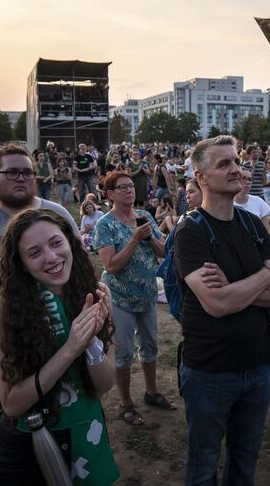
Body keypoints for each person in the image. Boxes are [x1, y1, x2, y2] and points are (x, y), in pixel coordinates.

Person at [0, 143, 80, 485]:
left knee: (59, 415)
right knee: (0, 421)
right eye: (12, 172)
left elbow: (77, 266)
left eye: (27, 171)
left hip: (54, 340)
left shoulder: (56, 214)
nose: (22, 178)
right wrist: (15, 263)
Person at [174, 135, 270, 485]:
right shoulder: (190, 230)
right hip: (210, 369)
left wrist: (237, 286)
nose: (236, 169)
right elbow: (218, 304)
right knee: (203, 465)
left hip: (256, 364)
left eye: (236, 161)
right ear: (201, 177)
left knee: (245, 460)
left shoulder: (252, 223)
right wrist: (264, 274)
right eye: (224, 163)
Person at [0, 209, 119, 485]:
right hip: (32, 445)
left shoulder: (97, 295)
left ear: (70, 243)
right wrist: (71, 348)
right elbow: (11, 404)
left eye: (56, 243)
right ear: (21, 263)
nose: (51, 257)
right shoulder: (5, 310)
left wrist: (92, 342)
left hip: (87, 435)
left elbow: (105, 383)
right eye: (34, 253)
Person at [92, 171, 174, 427]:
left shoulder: (145, 217)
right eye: (123, 187)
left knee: (150, 345)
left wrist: (149, 238)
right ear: (110, 194)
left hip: (147, 294)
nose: (129, 190)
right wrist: (135, 239)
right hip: (119, 298)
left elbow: (164, 253)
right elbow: (112, 265)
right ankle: (126, 403)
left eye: (131, 186)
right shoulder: (105, 224)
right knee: (123, 352)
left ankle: (151, 392)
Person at [234, 165, 270, 236]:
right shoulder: (227, 203)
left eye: (250, 179)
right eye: (243, 178)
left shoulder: (259, 202)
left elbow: (266, 233)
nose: (247, 182)